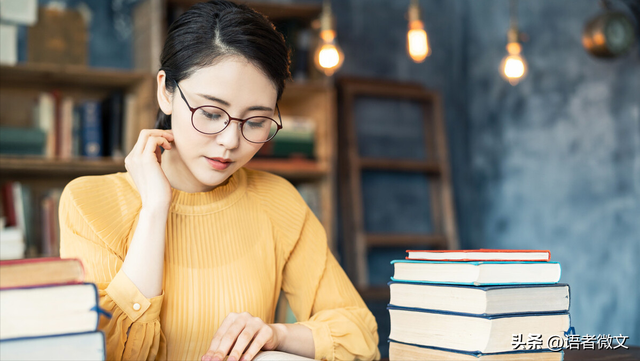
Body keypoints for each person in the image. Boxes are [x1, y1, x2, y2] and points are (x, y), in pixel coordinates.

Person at [59, 1, 380, 360]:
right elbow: (108, 351)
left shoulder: (277, 201)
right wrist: (155, 210)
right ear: (166, 91)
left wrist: (274, 335)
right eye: (211, 113)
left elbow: (360, 337)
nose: (231, 142)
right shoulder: (88, 203)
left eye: (256, 122)